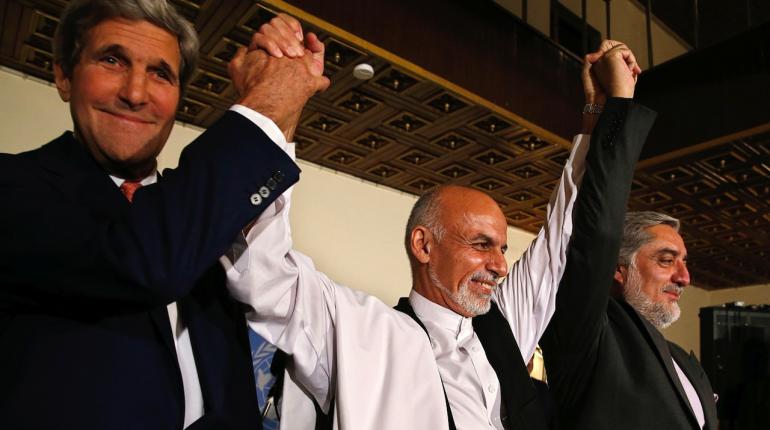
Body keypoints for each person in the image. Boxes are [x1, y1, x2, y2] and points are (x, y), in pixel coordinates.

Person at [223, 17, 656, 430]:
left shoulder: (504, 325)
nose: (500, 266)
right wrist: (274, 105)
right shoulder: (358, 330)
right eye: (481, 244)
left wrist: (598, 114)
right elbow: (264, 273)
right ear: (424, 245)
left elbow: (565, 235)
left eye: (502, 249)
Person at [0, 1, 327, 428]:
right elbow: (147, 259)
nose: (135, 93)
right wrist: (267, 100)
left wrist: (287, 89)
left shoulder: (199, 210)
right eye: (112, 60)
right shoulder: (14, 186)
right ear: (64, 76)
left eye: (160, 73)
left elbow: (263, 282)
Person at [540, 208, 719, 429]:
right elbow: (599, 230)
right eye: (666, 260)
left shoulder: (681, 358)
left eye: (683, 261)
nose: (685, 278)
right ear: (618, 268)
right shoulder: (590, 338)